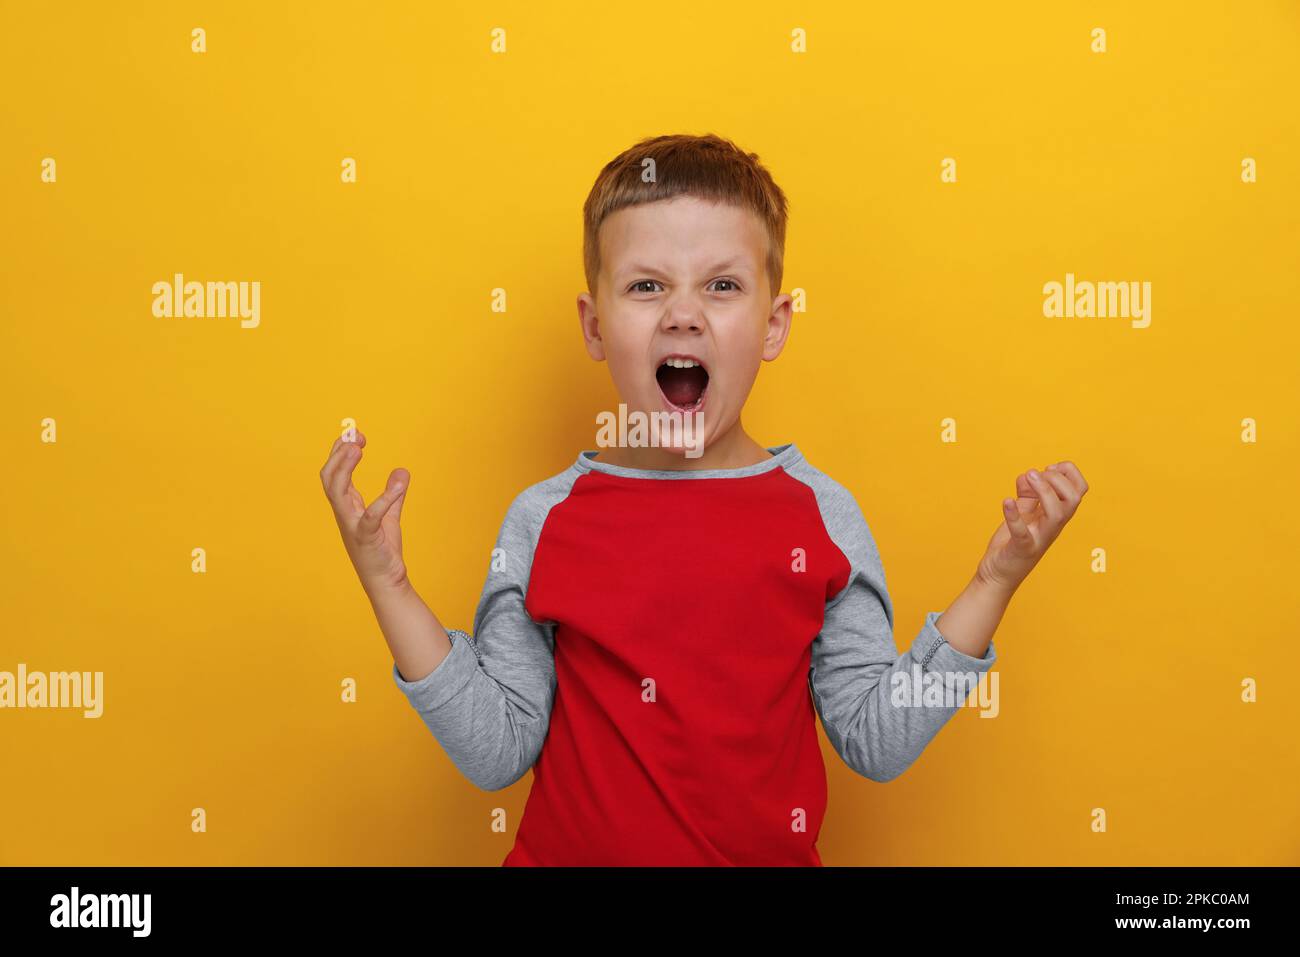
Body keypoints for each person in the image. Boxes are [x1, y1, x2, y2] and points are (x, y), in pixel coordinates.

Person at [319, 132, 1088, 866]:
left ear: (773, 325)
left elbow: (875, 738)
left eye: (722, 286)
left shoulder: (819, 514)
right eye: (647, 285)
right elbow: (496, 750)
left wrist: (993, 583)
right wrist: (389, 586)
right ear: (594, 326)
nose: (682, 313)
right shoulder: (544, 518)